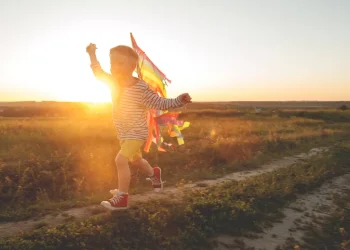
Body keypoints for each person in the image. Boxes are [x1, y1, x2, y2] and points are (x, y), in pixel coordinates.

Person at [86, 43, 192, 210]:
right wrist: (91, 53)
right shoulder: (113, 82)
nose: (115, 67)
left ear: (132, 66)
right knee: (136, 160)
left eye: (121, 63)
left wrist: (179, 100)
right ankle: (154, 175)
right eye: (113, 62)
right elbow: (98, 72)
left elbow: (159, 102)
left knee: (120, 160)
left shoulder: (141, 87)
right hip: (123, 132)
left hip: (137, 133)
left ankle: (122, 198)